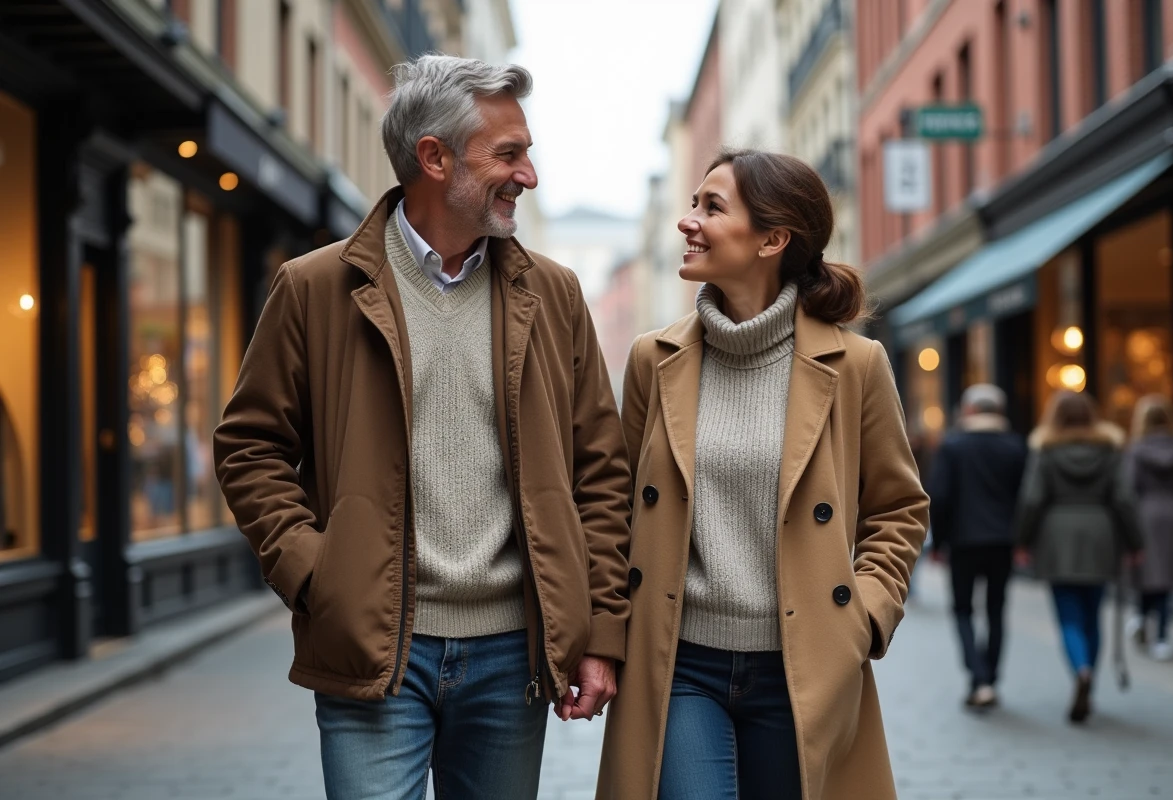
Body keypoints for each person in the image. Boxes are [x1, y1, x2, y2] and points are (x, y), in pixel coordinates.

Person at [213, 55, 632, 800]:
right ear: (433, 158)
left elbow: (601, 470)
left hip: (514, 654)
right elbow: (251, 448)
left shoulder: (556, 295)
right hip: (375, 649)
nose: (528, 175)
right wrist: (317, 574)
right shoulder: (315, 288)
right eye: (509, 154)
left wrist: (599, 631)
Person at [596, 149, 929, 800]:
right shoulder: (652, 360)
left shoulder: (855, 365)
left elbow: (898, 508)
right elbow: (615, 508)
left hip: (805, 661)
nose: (688, 222)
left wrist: (865, 614)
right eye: (692, 203)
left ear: (773, 239)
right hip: (679, 661)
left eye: (712, 207)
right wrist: (605, 632)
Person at [1015, 391, 1141, 724]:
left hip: (1058, 538)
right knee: (1093, 614)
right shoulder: (1110, 449)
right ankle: (1090, 682)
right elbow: (1124, 499)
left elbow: (1032, 499)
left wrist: (1022, 540)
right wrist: (1136, 542)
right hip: (1101, 535)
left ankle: (1080, 671)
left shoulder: (1045, 449)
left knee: (1068, 616)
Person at [928, 384, 1027, 709]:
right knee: (997, 610)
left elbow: (939, 498)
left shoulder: (954, 446)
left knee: (962, 610)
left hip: (963, 541)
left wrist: (938, 542)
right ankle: (990, 678)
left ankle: (979, 678)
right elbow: (1025, 498)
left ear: (969, 411)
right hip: (1002, 540)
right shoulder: (1015, 447)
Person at [1124, 394, 1173, 661]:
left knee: (1145, 573)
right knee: (1165, 578)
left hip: (1144, 513)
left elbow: (1128, 488)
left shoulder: (1136, 449)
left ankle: (1141, 617)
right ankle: (1162, 638)